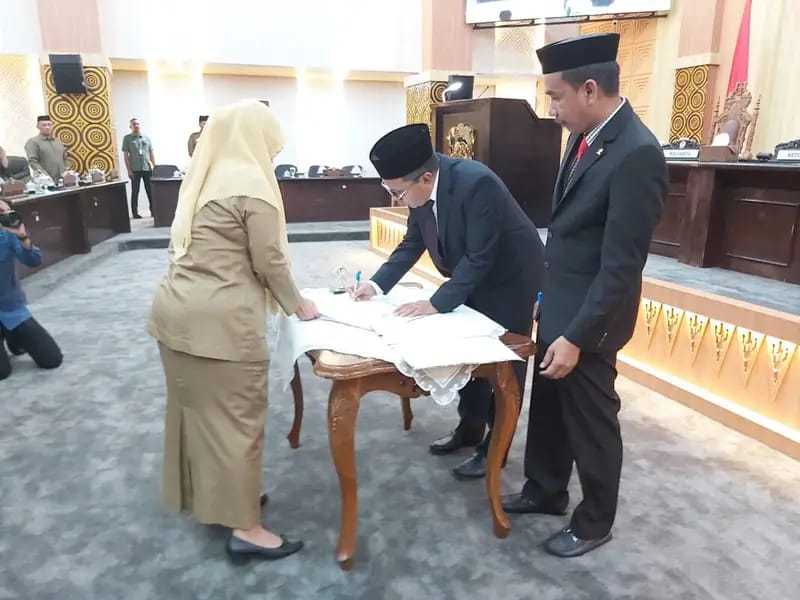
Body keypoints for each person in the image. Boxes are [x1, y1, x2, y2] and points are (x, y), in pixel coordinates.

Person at [502, 33, 667, 557]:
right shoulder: (583, 136)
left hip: (592, 322)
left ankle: (595, 522)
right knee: (550, 408)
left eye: (556, 96)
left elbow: (621, 266)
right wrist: (546, 296)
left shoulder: (636, 153)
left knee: (592, 422)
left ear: (590, 89)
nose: (550, 108)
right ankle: (546, 489)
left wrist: (576, 336)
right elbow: (570, 234)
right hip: (560, 303)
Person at [148, 99, 320, 563]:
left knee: (200, 416)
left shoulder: (204, 179)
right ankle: (246, 529)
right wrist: (299, 304)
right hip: (220, 326)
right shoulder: (253, 187)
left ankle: (220, 501)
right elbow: (270, 261)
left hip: (175, 315)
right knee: (238, 424)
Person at [351, 124, 545, 479]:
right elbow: (413, 242)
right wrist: (376, 285)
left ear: (425, 178)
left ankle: (495, 448)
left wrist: (437, 303)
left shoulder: (477, 183)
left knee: (502, 361)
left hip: (510, 278)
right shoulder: (421, 189)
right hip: (469, 272)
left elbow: (480, 256)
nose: (395, 200)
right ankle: (469, 429)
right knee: (466, 353)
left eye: (397, 192)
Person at [0, 200, 63, 380]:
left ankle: (13, 336)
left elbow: (34, 260)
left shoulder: (8, 235)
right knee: (2, 373)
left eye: (5, 211)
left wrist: (22, 237)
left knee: (51, 359)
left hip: (11, 308)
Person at [122, 118, 156, 219]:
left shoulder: (146, 138)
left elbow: (151, 153)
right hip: (135, 169)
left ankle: (154, 211)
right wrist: (129, 170)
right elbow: (126, 156)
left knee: (150, 191)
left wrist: (154, 167)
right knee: (135, 191)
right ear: (130, 126)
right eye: (134, 124)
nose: (136, 125)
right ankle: (135, 213)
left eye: (137, 124)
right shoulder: (127, 138)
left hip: (147, 168)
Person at [24, 115, 67, 182]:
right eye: (44, 125)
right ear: (38, 126)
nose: (47, 127)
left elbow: (65, 158)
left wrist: (66, 173)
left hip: (63, 179)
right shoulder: (33, 142)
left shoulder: (58, 141)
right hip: (45, 181)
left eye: (49, 125)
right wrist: (45, 177)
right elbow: (33, 162)